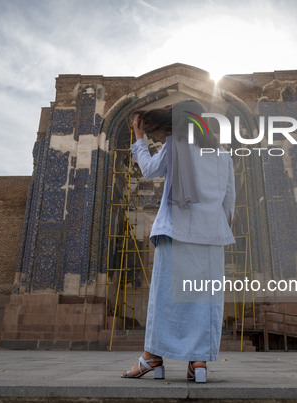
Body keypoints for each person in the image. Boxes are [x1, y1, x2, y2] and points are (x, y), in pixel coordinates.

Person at [120, 100, 235, 383]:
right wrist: (215, 228)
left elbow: (147, 169)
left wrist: (139, 138)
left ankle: (152, 357)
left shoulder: (175, 147)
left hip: (176, 230)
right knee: (204, 300)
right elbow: (229, 202)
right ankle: (198, 362)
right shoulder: (223, 155)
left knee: (165, 296)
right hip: (212, 236)